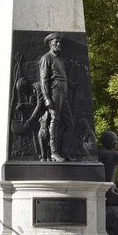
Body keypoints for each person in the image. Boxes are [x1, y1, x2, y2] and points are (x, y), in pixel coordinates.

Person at [39, 32, 76, 162]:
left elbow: (62, 76)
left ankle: (65, 151)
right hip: (54, 91)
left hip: (64, 92)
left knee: (70, 124)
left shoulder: (60, 59)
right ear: (50, 44)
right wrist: (46, 97)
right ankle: (54, 152)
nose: (59, 44)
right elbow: (44, 79)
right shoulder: (46, 58)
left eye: (60, 42)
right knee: (55, 120)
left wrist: (71, 85)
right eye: (56, 42)